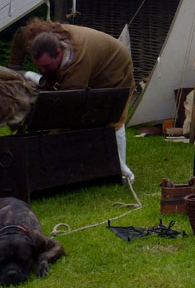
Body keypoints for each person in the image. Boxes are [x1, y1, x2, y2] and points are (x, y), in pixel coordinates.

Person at [9, 20, 135, 183]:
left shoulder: (76, 65)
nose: (42, 70)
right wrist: (14, 70)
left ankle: (121, 172)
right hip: (94, 58)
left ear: (58, 53)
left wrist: (49, 141)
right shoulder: (34, 38)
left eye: (46, 66)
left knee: (111, 120)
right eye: (39, 67)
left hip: (116, 67)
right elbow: (19, 36)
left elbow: (68, 112)